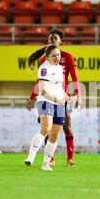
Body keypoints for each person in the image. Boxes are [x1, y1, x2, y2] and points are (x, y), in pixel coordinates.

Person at [26, 28, 81, 167]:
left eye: (55, 38)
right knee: (47, 128)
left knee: (66, 127)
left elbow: (74, 78)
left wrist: (76, 95)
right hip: (49, 99)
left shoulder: (67, 57)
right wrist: (32, 97)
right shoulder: (45, 62)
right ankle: (48, 160)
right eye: (50, 39)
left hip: (62, 97)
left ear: (61, 41)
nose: (53, 41)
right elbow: (40, 83)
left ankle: (70, 158)